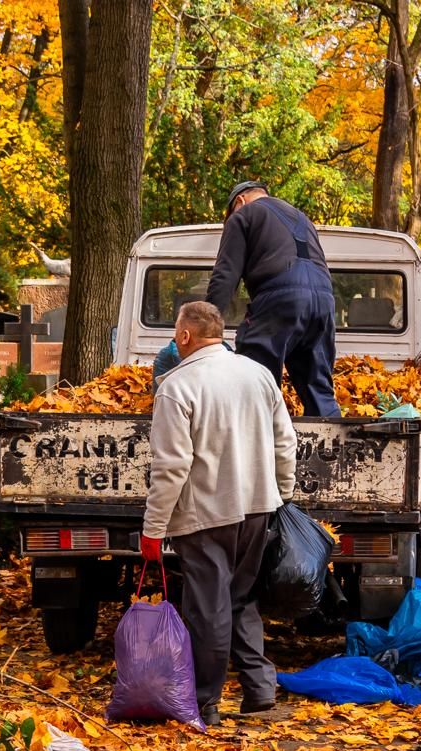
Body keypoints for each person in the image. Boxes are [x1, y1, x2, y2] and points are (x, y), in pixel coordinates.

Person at [140, 300, 297, 722]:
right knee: (241, 598)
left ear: (186, 336)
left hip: (206, 513)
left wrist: (153, 528)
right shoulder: (258, 375)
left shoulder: (176, 385)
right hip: (257, 507)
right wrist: (281, 492)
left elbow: (172, 466)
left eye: (176, 331)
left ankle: (204, 701)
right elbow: (286, 441)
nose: (174, 338)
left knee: (207, 608)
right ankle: (260, 688)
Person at [205, 180, 338, 417]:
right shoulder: (302, 219)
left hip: (281, 297)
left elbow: (225, 275)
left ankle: (258, 449)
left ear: (239, 201)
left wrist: (204, 324)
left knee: (255, 379)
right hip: (324, 302)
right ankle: (333, 449)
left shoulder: (243, 214)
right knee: (318, 388)